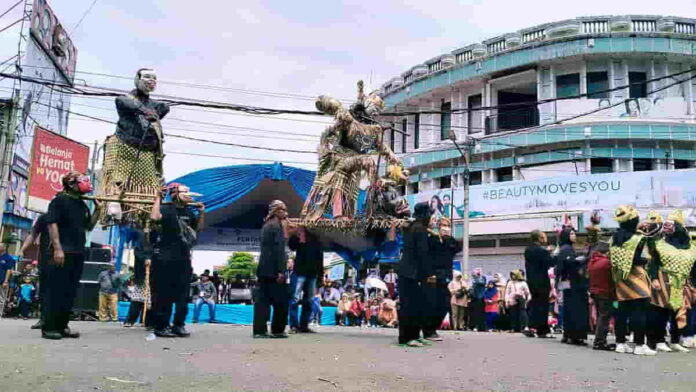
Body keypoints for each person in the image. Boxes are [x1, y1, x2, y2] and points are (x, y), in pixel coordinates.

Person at [41, 171, 102, 339]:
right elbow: (52, 224)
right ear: (71, 184)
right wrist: (57, 248)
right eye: (81, 180)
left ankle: (62, 326)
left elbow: (89, 226)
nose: (85, 183)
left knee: (70, 291)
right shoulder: (59, 201)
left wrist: (98, 210)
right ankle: (49, 328)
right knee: (56, 290)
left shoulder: (82, 205)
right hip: (62, 251)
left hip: (77, 251)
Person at [150, 183, 205, 338]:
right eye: (185, 192)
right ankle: (161, 326)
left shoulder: (189, 211)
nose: (189, 194)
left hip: (184, 257)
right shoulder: (166, 209)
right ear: (175, 194)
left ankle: (179, 325)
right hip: (165, 257)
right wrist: (158, 198)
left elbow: (198, 229)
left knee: (183, 294)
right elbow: (154, 217)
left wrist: (202, 213)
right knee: (163, 294)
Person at [648, 210, 696, 353]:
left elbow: (694, 267)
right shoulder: (659, 244)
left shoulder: (692, 248)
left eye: (671, 225)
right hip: (663, 280)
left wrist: (693, 284)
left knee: (680, 311)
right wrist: (654, 278)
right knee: (661, 312)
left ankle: (675, 340)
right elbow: (654, 263)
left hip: (683, 282)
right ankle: (659, 340)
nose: (667, 228)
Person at [610, 205, 655, 356]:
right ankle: (639, 345)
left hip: (620, 280)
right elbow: (640, 259)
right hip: (637, 278)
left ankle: (620, 343)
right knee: (639, 312)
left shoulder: (613, 239)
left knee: (621, 313)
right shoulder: (639, 239)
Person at [253, 200, 291, 339]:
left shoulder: (267, 225)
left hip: (264, 268)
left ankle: (259, 330)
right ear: (277, 211)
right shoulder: (276, 226)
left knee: (262, 301)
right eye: (283, 210)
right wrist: (281, 270)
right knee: (281, 301)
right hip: (274, 270)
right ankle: (277, 330)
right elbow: (279, 250)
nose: (286, 213)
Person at [398, 202, 431, 346]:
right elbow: (423, 254)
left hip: (406, 272)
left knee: (413, 305)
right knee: (411, 306)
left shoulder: (411, 227)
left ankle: (414, 335)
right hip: (412, 274)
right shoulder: (420, 229)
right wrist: (428, 274)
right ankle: (408, 338)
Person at [424, 217, 462, 341]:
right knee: (432, 303)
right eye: (443, 225)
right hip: (433, 276)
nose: (445, 227)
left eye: (447, 225)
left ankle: (432, 328)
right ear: (438, 226)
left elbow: (457, 247)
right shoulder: (433, 239)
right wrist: (437, 237)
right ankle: (429, 331)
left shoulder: (450, 241)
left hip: (445, 276)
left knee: (445, 303)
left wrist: (446, 238)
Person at [556, 227, 589, 346]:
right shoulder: (567, 249)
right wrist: (582, 260)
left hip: (569, 284)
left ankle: (568, 335)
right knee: (576, 309)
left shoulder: (565, 248)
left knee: (569, 309)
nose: (574, 235)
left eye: (574, 233)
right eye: (571, 233)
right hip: (574, 284)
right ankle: (575, 336)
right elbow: (570, 264)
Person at [288, 227, 323, 333]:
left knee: (309, 300)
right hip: (299, 273)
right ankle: (294, 325)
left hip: (311, 274)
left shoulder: (316, 239)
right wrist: (297, 236)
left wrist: (320, 275)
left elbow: (319, 258)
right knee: (294, 299)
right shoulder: (300, 235)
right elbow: (292, 246)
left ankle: (304, 326)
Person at [19, 215, 49, 330]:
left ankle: (61, 322)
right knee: (44, 290)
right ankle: (43, 318)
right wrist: (23, 249)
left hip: (65, 258)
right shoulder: (44, 218)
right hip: (46, 258)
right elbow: (33, 235)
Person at [524, 230, 555, 338]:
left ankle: (531, 327)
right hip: (542, 280)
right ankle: (542, 330)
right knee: (543, 305)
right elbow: (551, 263)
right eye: (544, 236)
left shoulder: (528, 250)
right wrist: (552, 253)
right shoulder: (542, 251)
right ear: (540, 238)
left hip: (531, 280)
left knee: (535, 303)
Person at [587, 242, 616, 351]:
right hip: (605, 292)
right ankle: (600, 341)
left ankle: (599, 340)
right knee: (604, 317)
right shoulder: (606, 263)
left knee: (600, 316)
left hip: (595, 291)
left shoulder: (592, 262)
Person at [505, 269, 531, 334]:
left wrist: (528, 300)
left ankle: (524, 327)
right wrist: (506, 301)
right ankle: (514, 328)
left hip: (521, 299)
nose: (512, 276)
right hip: (512, 299)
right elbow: (507, 292)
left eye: (514, 274)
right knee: (513, 314)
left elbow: (527, 292)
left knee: (523, 313)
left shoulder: (523, 283)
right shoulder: (510, 282)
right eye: (512, 275)